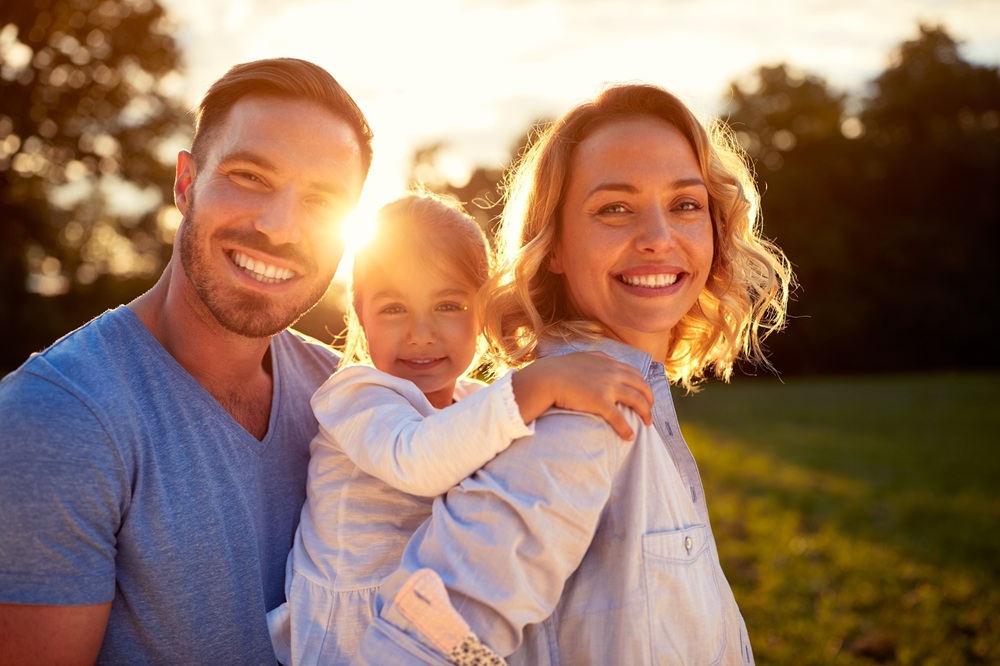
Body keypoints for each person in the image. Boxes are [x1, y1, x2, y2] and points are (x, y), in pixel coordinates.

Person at [352, 83, 793, 665]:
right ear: (553, 245)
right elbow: (420, 645)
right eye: (615, 208)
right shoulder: (576, 422)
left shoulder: (626, 397)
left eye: (686, 204)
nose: (659, 239)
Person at [0, 58, 373, 664]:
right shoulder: (55, 420)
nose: (279, 229)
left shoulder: (351, 400)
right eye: (250, 176)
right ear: (185, 184)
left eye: (323, 201)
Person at [266, 191, 655, 665]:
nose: (421, 332)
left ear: (482, 310)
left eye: (448, 306)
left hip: (438, 611)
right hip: (350, 634)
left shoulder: (475, 402)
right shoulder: (355, 396)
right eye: (393, 309)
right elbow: (417, 460)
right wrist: (538, 384)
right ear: (361, 315)